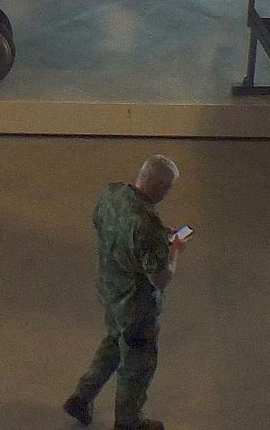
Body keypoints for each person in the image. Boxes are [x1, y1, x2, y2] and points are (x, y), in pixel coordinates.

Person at [66, 154, 184, 430]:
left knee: (114, 342)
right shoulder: (146, 225)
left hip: (110, 290)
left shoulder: (111, 195)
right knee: (137, 363)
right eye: (167, 189)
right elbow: (160, 278)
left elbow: (104, 227)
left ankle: (82, 396)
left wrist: (157, 240)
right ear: (158, 185)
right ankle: (129, 421)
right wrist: (174, 251)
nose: (167, 194)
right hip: (136, 305)